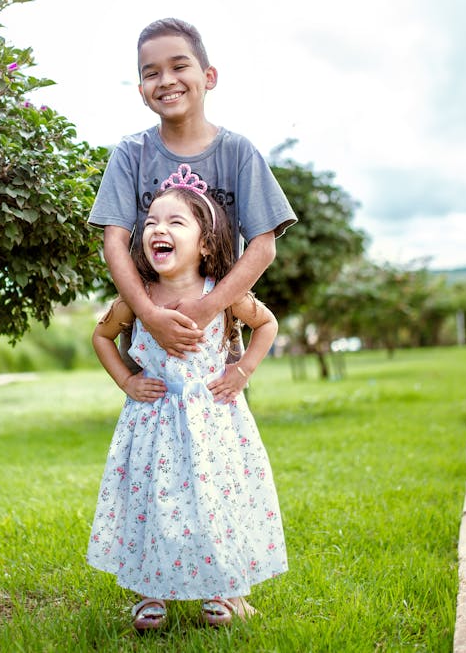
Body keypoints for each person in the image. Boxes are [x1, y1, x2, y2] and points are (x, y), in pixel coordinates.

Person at [87, 180, 287, 630]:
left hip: (213, 422)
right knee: (152, 502)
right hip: (153, 423)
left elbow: (268, 324)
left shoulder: (225, 294)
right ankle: (150, 592)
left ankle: (221, 590)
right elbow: (101, 336)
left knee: (214, 500)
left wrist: (242, 369)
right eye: (152, 221)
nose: (159, 228)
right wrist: (127, 380)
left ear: (205, 243)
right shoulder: (138, 300)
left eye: (176, 221)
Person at [89, 17, 296, 364]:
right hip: (148, 348)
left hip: (214, 347)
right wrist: (150, 316)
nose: (166, 80)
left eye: (179, 66)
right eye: (151, 73)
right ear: (141, 90)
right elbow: (114, 243)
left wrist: (208, 307)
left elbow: (264, 246)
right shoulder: (130, 153)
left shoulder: (238, 153)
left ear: (209, 77)